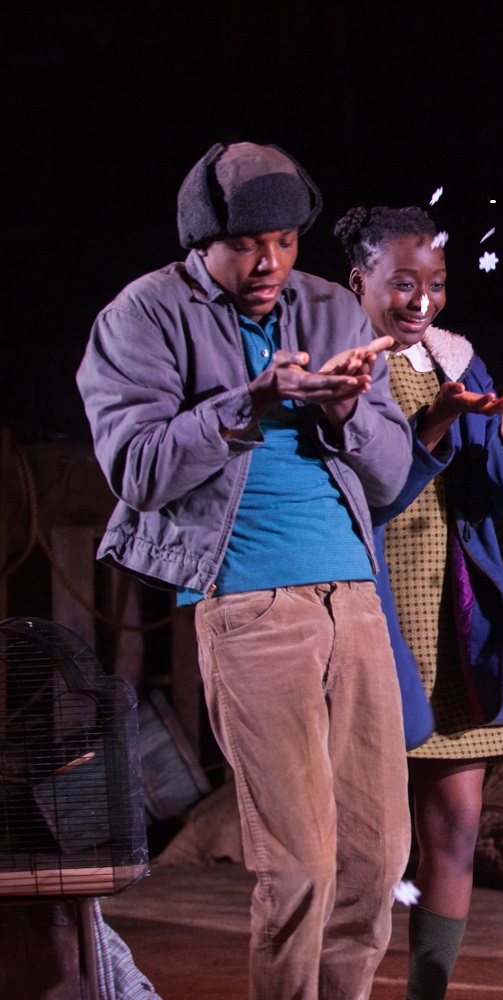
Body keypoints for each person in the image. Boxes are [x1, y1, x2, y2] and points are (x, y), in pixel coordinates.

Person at [76, 142, 414, 997]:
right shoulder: (143, 315)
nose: (270, 262)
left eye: (287, 241)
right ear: (203, 241)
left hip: (354, 596)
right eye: (248, 244)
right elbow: (137, 467)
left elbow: (389, 471)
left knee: (376, 867)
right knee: (300, 867)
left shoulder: (332, 308)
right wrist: (251, 402)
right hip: (250, 602)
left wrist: (347, 415)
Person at [334, 205, 503, 999]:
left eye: (435, 284)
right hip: (368, 613)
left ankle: (428, 993)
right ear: (357, 283)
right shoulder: (338, 370)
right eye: (401, 284)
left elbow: (494, 497)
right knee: (367, 844)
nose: (421, 302)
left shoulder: (458, 361)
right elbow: (360, 492)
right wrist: (436, 421)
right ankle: (337, 982)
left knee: (457, 830)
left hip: (452, 616)